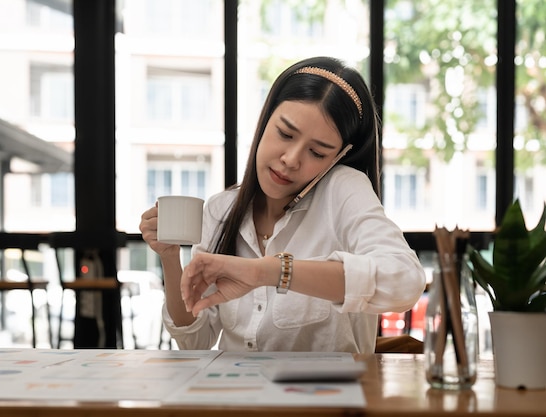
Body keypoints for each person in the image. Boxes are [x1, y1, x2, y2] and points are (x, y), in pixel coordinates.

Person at [140, 56, 426, 353]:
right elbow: (195, 342)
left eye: (317, 152)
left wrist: (269, 271)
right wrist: (170, 259)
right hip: (240, 395)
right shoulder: (220, 210)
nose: (291, 159)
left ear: (337, 157)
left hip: (325, 397)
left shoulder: (343, 188)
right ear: (265, 121)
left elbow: (404, 280)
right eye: (285, 134)